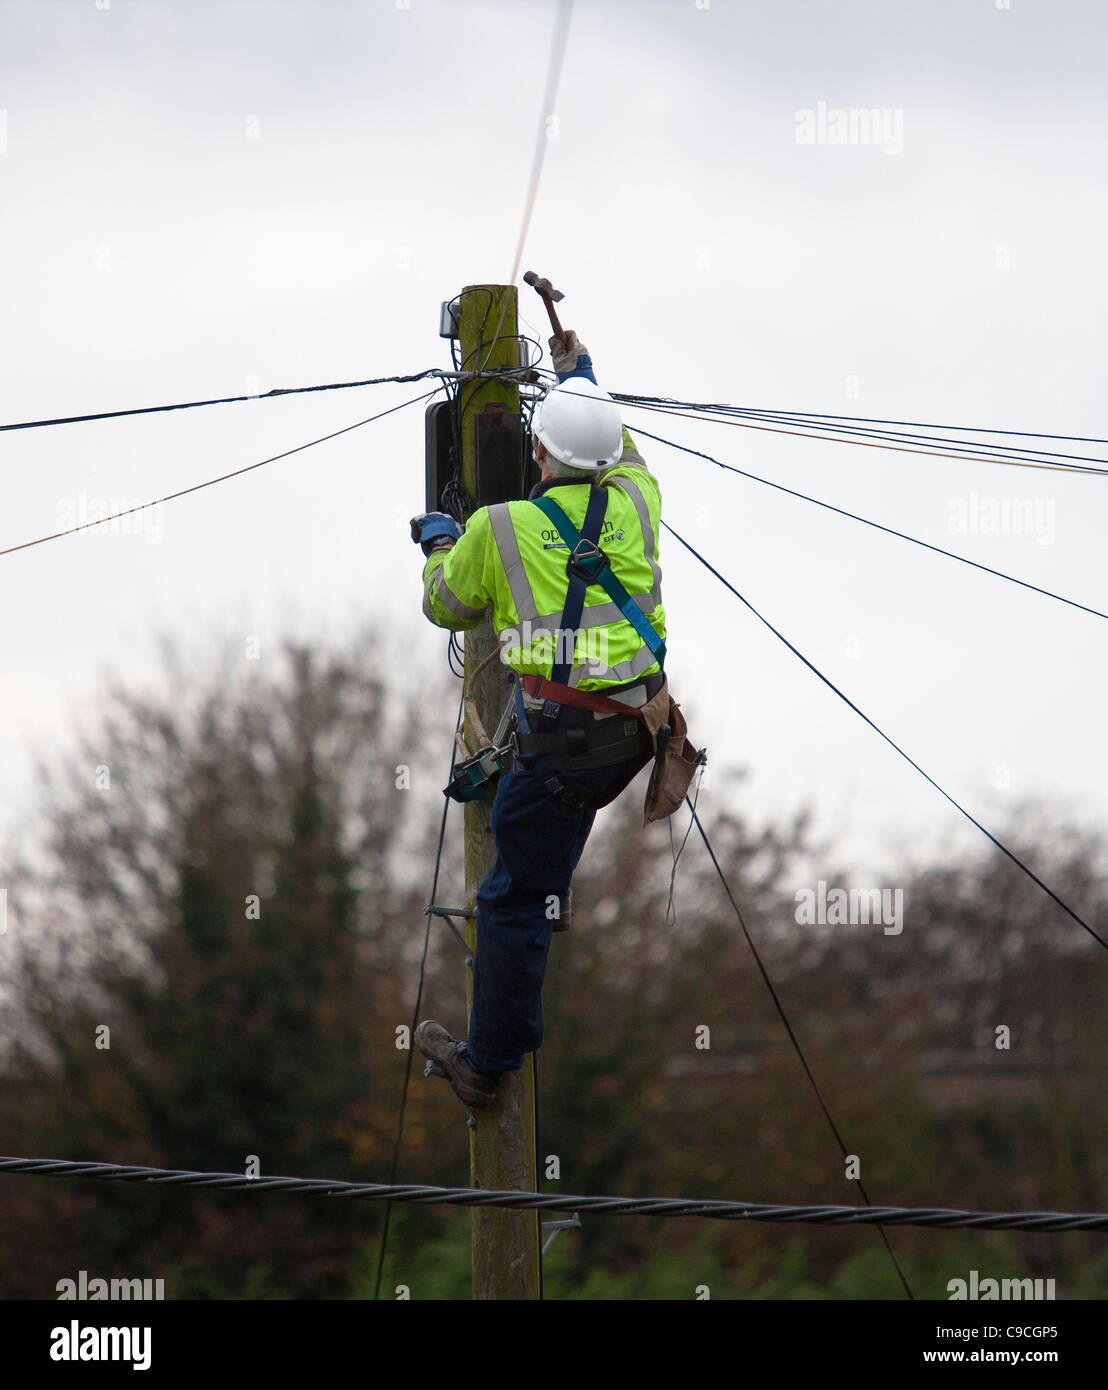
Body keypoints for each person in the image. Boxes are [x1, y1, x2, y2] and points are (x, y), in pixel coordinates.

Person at [409, 329, 667, 1109]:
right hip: (636, 728)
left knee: (508, 899)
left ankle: (488, 1065)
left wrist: (438, 544)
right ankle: (545, 893)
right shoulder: (638, 499)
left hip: (570, 747)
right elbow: (618, 451)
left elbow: (443, 605)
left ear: (539, 456)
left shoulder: (500, 528)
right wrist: (578, 376)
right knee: (545, 828)